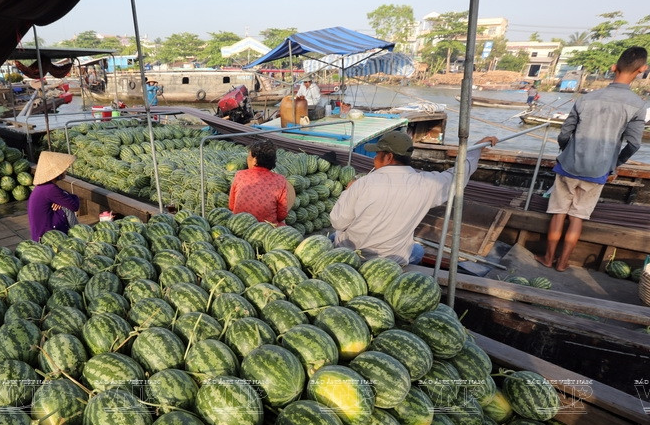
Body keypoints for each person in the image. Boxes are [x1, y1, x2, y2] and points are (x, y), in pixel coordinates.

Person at [535, 46, 648, 272]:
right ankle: (563, 263)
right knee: (577, 217)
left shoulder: (586, 98)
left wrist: (566, 151)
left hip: (568, 166)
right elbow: (634, 144)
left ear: (613, 68)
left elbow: (565, 133)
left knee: (558, 213)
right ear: (642, 70)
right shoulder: (638, 105)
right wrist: (614, 164)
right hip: (598, 171)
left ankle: (548, 258)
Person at [330, 130, 499, 266]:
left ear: (388, 157)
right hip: (390, 261)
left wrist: (348, 191)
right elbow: (458, 175)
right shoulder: (427, 184)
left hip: (352, 256)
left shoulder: (362, 183)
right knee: (417, 251)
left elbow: (338, 222)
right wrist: (475, 149)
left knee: (332, 236)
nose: (374, 158)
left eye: (377, 154)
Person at [228, 138, 295, 226]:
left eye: (249, 157)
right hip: (266, 227)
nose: (247, 159)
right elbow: (281, 215)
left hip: (239, 224)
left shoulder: (239, 175)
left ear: (255, 160)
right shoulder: (280, 180)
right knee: (283, 224)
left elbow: (231, 206)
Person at [28, 151, 80, 241]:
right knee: (66, 207)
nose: (66, 171)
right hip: (47, 237)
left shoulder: (42, 187)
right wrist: (67, 198)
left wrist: (62, 199)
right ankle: (78, 236)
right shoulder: (50, 189)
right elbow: (75, 206)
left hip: (41, 233)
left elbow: (66, 197)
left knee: (64, 203)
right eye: (64, 170)